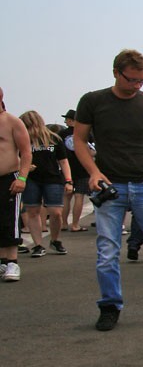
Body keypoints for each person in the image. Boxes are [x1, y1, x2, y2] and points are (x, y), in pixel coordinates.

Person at [74, 49, 143, 331]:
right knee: (107, 252)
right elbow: (79, 140)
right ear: (116, 72)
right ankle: (110, 305)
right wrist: (93, 171)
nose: (136, 85)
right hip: (109, 185)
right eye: (131, 79)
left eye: (141, 80)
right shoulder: (93, 101)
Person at [19, 110, 72, 257]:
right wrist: (23, 167)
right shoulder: (22, 139)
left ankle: (55, 240)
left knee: (56, 212)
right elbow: (16, 157)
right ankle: (38, 244)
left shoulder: (54, 139)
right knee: (33, 211)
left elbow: (63, 161)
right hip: (31, 178)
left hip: (52, 178)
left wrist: (68, 180)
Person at [0, 90, 32, 282]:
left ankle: (12, 261)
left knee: (9, 219)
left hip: (8, 178)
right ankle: (2, 261)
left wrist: (22, 178)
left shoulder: (12, 122)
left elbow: (26, 152)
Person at [61, 109, 94, 232]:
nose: (65, 121)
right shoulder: (86, 134)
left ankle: (64, 223)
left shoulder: (61, 134)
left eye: (67, 119)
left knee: (66, 197)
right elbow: (92, 151)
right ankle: (75, 224)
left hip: (67, 169)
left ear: (72, 120)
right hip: (82, 167)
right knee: (79, 196)